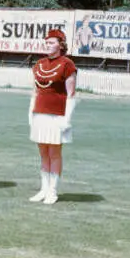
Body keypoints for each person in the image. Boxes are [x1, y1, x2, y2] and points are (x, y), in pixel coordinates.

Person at [28, 28, 78, 204]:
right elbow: (35, 91)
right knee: (43, 153)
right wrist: (31, 112)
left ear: (61, 44)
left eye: (52, 42)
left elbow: (71, 94)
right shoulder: (39, 64)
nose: (48, 45)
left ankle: (53, 191)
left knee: (54, 153)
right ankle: (43, 189)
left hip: (57, 115)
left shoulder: (67, 64)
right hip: (40, 113)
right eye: (47, 42)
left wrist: (67, 119)